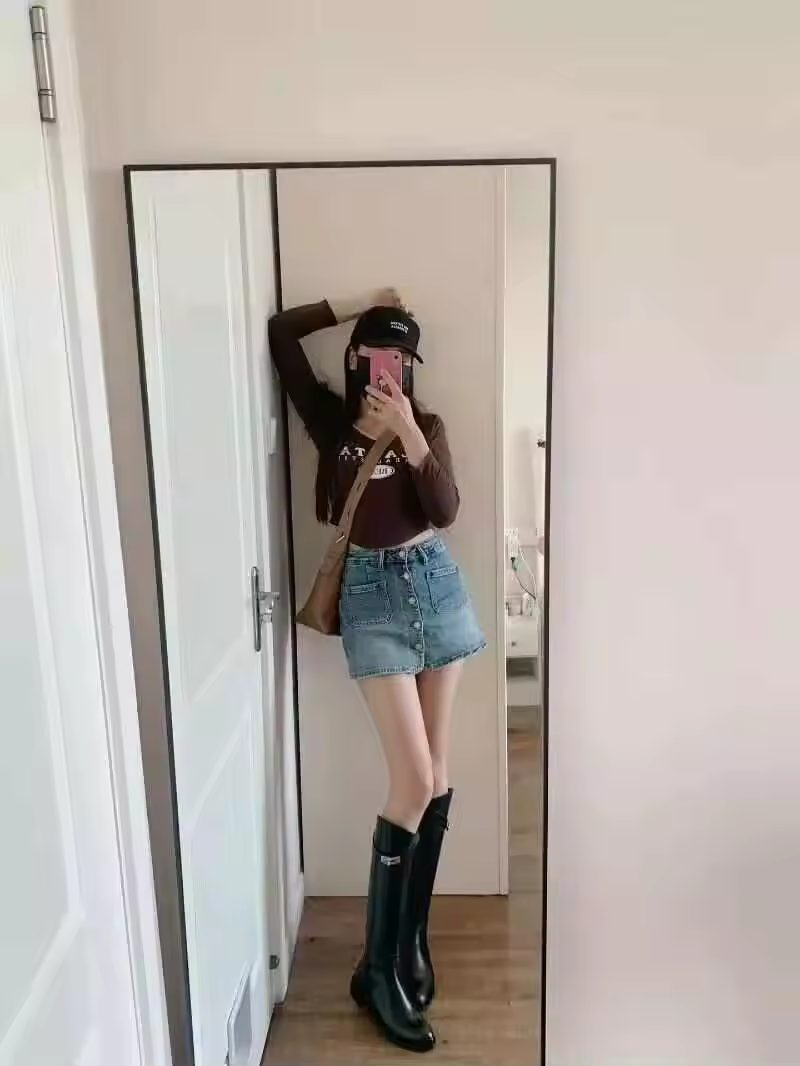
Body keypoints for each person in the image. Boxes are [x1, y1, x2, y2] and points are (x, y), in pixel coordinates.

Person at [268, 289, 486, 1053]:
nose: (389, 368)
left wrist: (411, 436)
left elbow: (446, 510)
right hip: (371, 599)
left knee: (439, 776)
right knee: (413, 782)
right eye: (377, 354)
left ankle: (407, 943)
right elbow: (282, 335)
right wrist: (361, 303)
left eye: (401, 358)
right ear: (358, 358)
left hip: (436, 585)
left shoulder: (426, 425)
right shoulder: (331, 422)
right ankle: (377, 970)